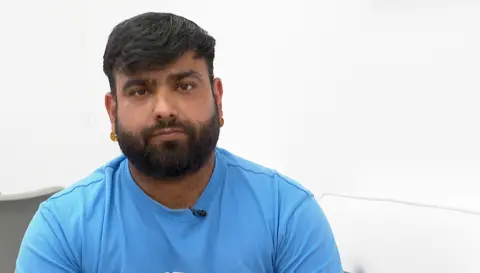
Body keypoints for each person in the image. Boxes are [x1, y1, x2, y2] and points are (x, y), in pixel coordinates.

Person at [15, 12, 343, 273]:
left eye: (184, 86)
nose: (164, 109)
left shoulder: (286, 213)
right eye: (140, 91)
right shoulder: (62, 228)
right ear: (112, 111)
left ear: (217, 97)